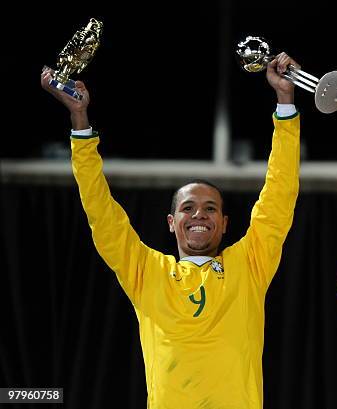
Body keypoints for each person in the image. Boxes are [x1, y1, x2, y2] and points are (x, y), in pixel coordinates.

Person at [41, 53, 300, 408]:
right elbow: (102, 213)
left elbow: (279, 195)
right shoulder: (147, 272)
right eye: (188, 208)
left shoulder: (250, 265)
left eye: (211, 209)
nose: (199, 215)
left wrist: (285, 103)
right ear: (171, 222)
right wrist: (80, 122)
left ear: (224, 224)